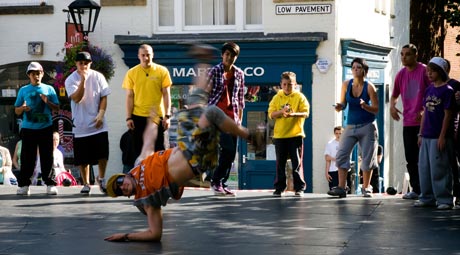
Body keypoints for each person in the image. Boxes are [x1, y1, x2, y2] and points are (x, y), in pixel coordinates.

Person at [104, 87, 252, 242]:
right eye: (120, 192)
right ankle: (248, 136)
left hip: (187, 143)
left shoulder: (138, 164)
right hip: (195, 159)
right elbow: (155, 234)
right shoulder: (146, 201)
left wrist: (153, 120)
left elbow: (148, 142)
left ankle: (203, 67)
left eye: (120, 183)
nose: (122, 187)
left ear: (124, 176)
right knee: (212, 113)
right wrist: (126, 236)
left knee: (195, 99)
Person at [328, 57, 379, 198]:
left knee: (367, 157)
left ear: (364, 70)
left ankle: (366, 187)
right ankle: (341, 187)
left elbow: (376, 109)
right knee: (342, 154)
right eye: (353, 67)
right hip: (351, 126)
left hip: (367, 126)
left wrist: (365, 106)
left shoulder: (370, 87)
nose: (355, 70)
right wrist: (339, 107)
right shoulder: (346, 84)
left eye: (359, 67)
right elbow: (343, 104)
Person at [65, 51, 111, 194]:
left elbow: (104, 97)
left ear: (90, 63)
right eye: (81, 63)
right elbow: (77, 98)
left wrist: (101, 114)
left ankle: (101, 179)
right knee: (83, 159)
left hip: (98, 124)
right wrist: (83, 81)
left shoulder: (98, 76)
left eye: (86, 63)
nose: (84, 66)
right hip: (81, 124)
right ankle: (86, 183)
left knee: (103, 154)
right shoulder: (70, 80)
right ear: (76, 64)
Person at [390, 44, 430, 200]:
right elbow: (394, 95)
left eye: (407, 54)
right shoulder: (400, 75)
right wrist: (392, 107)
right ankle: (416, 189)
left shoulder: (425, 71)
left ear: (415, 55)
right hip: (408, 122)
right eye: (402, 54)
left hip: (424, 122)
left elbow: (434, 91)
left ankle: (428, 190)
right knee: (411, 158)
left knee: (424, 158)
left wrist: (424, 109)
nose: (403, 57)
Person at [414, 57, 455, 210]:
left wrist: (442, 136)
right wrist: (420, 133)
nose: (429, 74)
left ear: (441, 72)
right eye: (428, 71)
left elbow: (447, 115)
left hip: (439, 136)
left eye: (432, 71)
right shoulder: (429, 89)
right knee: (424, 167)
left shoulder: (447, 91)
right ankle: (427, 197)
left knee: (439, 167)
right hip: (426, 135)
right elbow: (425, 113)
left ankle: (444, 199)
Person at [14, 62, 60, 195]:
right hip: (28, 128)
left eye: (38, 73)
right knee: (27, 157)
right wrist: (22, 108)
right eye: (33, 73)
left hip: (46, 127)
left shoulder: (49, 89)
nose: (36, 76)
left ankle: (50, 183)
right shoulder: (23, 90)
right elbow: (16, 111)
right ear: (29, 75)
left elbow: (57, 108)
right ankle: (24, 185)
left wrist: (47, 101)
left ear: (42, 74)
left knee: (47, 156)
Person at [122, 44, 172, 163]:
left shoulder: (161, 71)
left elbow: (166, 94)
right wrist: (128, 117)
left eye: (148, 55)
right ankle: (141, 179)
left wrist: (167, 115)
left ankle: (160, 180)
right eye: (143, 55)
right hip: (138, 116)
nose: (146, 58)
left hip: (157, 117)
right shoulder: (132, 73)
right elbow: (129, 96)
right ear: (138, 56)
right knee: (139, 152)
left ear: (152, 55)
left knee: (160, 152)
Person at [207, 42, 245, 196]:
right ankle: (215, 180)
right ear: (222, 55)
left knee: (231, 153)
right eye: (227, 54)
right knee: (227, 148)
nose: (229, 58)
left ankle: (222, 183)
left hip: (233, 117)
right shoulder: (214, 71)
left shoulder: (240, 74)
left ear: (236, 57)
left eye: (233, 55)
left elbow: (240, 99)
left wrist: (239, 122)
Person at [268, 71, 309, 197]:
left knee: (296, 163)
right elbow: (271, 114)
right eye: (285, 84)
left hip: (295, 135)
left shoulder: (300, 97)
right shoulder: (277, 97)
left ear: (295, 84)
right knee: (280, 164)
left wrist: (293, 114)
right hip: (280, 136)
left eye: (290, 84)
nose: (287, 87)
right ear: (281, 84)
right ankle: (279, 188)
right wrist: (281, 112)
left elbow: (306, 113)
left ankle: (299, 188)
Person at [445, 59, 460, 207]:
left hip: (453, 130)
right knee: (445, 163)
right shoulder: (432, 87)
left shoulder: (455, 85)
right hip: (438, 131)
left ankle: (457, 192)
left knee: (454, 163)